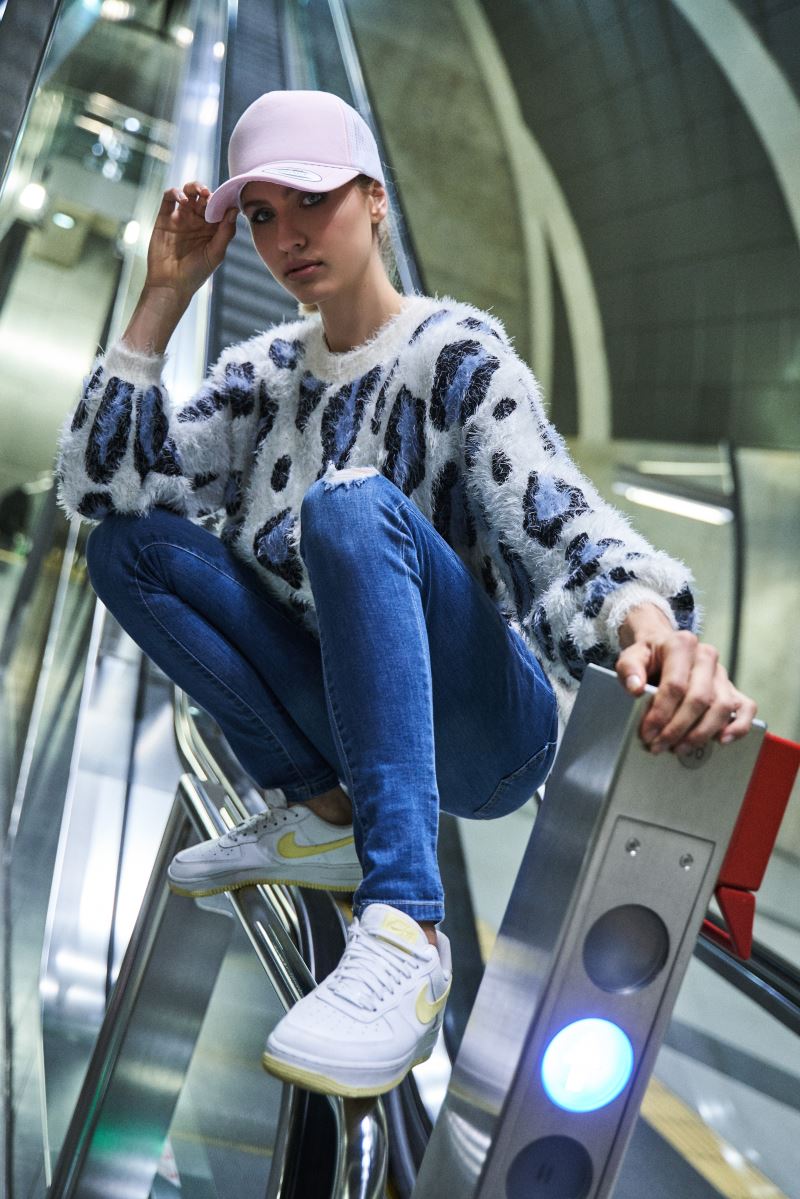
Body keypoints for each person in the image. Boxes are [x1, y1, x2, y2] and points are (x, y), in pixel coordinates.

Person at [55, 89, 756, 1098]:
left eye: (313, 200)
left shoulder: (454, 355)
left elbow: (557, 513)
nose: (287, 237)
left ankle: (407, 928)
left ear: (375, 199)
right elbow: (99, 489)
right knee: (130, 548)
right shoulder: (265, 376)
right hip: (344, 714)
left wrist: (649, 620)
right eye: (263, 215)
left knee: (347, 505)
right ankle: (326, 811)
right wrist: (161, 300)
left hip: (485, 731)